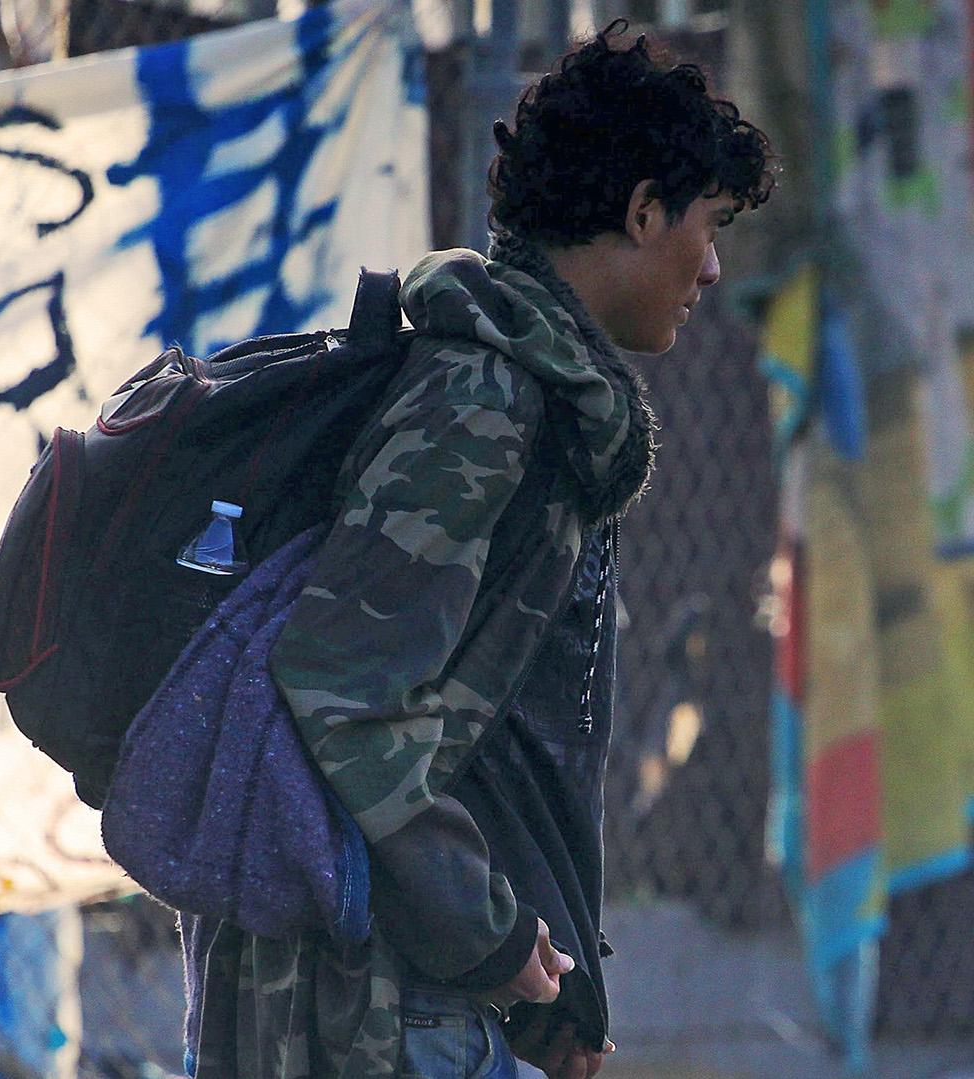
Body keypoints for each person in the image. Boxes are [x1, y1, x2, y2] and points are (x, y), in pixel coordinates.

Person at [181, 23, 773, 1079]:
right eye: (708, 224)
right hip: (382, 1007)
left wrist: (540, 974)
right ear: (642, 213)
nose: (715, 267)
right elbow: (340, 688)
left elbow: (477, 732)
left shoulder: (527, 403)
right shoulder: (483, 404)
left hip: (434, 997)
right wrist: (493, 939)